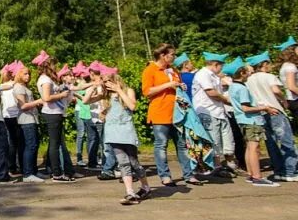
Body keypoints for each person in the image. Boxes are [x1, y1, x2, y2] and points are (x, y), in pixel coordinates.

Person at [83, 72, 152, 204]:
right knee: (123, 163)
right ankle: (130, 192)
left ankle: (145, 187)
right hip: (113, 133)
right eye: (104, 81)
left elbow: (132, 106)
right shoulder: (105, 95)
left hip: (126, 132)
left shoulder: (127, 91)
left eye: (108, 81)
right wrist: (93, 85)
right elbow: (86, 101)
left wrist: (119, 90)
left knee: (134, 162)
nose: (106, 84)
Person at [142, 44, 201, 186]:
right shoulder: (150, 70)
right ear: (163, 55)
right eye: (172, 54)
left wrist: (181, 86)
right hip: (160, 113)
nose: (175, 57)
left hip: (177, 114)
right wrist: (168, 85)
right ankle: (165, 176)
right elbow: (147, 91)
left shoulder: (173, 70)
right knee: (161, 145)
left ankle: (188, 174)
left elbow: (176, 85)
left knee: (182, 145)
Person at [226, 60, 280, 187]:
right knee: (254, 148)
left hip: (242, 120)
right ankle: (257, 176)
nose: (249, 74)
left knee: (249, 148)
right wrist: (265, 108)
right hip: (251, 120)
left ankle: (251, 174)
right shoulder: (242, 88)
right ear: (242, 73)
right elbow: (246, 108)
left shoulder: (233, 86)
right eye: (247, 72)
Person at [245, 51, 297, 182]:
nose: (270, 66)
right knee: (286, 141)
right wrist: (284, 100)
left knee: (271, 142)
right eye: (268, 63)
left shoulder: (249, 79)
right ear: (264, 64)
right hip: (275, 110)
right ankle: (290, 171)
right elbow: (275, 90)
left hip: (261, 112)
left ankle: (278, 170)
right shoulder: (268, 77)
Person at [190, 52, 236, 177]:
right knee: (213, 141)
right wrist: (227, 100)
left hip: (219, 111)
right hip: (208, 112)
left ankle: (228, 164)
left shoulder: (214, 76)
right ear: (216, 64)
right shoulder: (203, 74)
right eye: (221, 65)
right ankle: (215, 166)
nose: (222, 68)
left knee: (227, 140)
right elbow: (211, 92)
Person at [35, 51, 76, 183]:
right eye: (54, 65)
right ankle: (57, 173)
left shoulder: (45, 79)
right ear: (48, 65)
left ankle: (57, 171)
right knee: (54, 144)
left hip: (54, 112)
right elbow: (46, 98)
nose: (56, 68)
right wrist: (62, 95)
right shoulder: (45, 80)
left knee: (55, 143)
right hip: (52, 113)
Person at [11, 62, 44, 182]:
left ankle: (33, 171)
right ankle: (27, 174)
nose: (28, 76)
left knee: (33, 145)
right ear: (19, 75)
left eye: (29, 74)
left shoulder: (25, 87)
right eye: (25, 74)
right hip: (26, 120)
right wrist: (38, 101)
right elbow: (23, 105)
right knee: (30, 146)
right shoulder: (18, 87)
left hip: (32, 118)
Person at [0, 64, 24, 175]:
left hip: (7, 115)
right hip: (16, 115)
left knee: (12, 142)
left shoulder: (1, 87)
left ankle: (12, 166)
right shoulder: (15, 85)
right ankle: (20, 165)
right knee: (19, 142)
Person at [277, 37, 298, 129]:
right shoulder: (290, 67)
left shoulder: (286, 66)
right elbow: (291, 86)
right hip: (295, 100)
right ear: (291, 51)